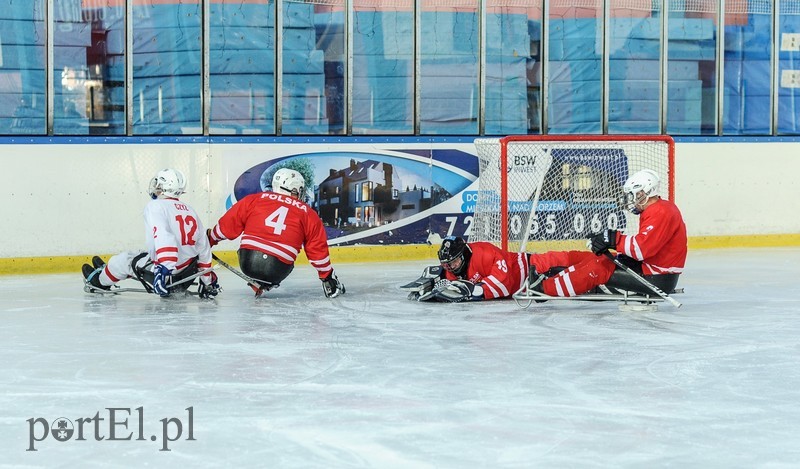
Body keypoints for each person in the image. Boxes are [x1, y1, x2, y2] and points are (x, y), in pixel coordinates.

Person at [525, 168, 687, 298]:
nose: (632, 199)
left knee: (598, 268)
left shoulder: (661, 211)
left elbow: (642, 249)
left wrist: (612, 239)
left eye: (635, 195)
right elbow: (645, 248)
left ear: (645, 192)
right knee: (597, 259)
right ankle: (546, 273)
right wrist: (610, 241)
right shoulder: (657, 209)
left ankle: (543, 289)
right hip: (651, 269)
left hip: (657, 278)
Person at [206, 168, 345, 298]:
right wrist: (327, 276)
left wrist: (209, 241)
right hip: (278, 269)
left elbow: (228, 225)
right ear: (295, 189)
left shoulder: (255, 199)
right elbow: (317, 249)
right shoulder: (308, 213)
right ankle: (265, 281)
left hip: (247, 262)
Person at [82, 169, 220, 298]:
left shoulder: (155, 206)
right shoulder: (190, 210)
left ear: (165, 187)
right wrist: (207, 280)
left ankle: (99, 281)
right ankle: (107, 271)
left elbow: (163, 236)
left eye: (158, 184)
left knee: (125, 260)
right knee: (140, 255)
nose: (156, 187)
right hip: (186, 274)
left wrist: (164, 268)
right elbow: (204, 246)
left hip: (167, 274)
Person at [404, 235, 532, 302]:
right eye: (447, 264)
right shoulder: (454, 267)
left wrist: (472, 291)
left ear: (463, 255)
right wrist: (431, 282)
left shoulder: (485, 253)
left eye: (454, 262)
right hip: (526, 290)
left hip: (533, 269)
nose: (451, 267)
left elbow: (504, 284)